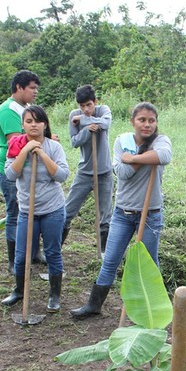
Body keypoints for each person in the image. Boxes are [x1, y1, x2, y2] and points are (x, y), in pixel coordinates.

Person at [70, 102, 171, 319]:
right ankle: (94, 304)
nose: (147, 125)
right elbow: (123, 172)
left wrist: (134, 157)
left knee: (149, 263)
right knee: (111, 260)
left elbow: (163, 156)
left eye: (151, 121)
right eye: (142, 120)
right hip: (123, 213)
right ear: (133, 121)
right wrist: (146, 156)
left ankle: (153, 309)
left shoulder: (161, 140)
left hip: (150, 213)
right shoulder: (122, 141)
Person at [1, 105, 69, 313]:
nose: (33, 125)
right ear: (22, 125)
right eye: (29, 121)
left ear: (44, 124)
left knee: (52, 252)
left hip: (52, 209)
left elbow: (62, 176)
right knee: (22, 255)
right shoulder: (15, 146)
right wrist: (25, 151)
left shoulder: (54, 147)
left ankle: (54, 295)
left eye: (37, 121)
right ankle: (19, 290)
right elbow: (11, 175)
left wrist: (41, 153)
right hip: (26, 210)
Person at [0, 70, 44, 273]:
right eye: (32, 88)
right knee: (15, 214)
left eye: (36, 88)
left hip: (30, 168)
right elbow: (15, 142)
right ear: (19, 88)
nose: (35, 92)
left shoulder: (26, 108)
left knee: (33, 211)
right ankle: (14, 260)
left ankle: (33, 253)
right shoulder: (9, 111)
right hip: (13, 169)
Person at [62, 85, 113, 249]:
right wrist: (86, 130)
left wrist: (84, 121)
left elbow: (105, 123)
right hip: (85, 172)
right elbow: (74, 141)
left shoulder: (103, 110)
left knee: (105, 215)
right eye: (82, 106)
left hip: (104, 172)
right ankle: (54, 250)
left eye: (89, 105)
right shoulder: (73, 115)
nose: (85, 109)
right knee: (67, 212)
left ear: (95, 102)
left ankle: (104, 254)